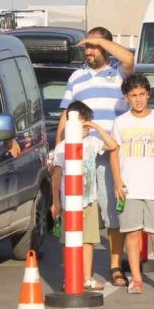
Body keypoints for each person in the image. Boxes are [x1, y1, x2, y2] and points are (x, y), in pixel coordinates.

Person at [58, 26, 135, 288]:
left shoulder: (118, 73)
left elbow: (128, 59)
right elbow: (66, 114)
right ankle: (80, 270)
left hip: (110, 153)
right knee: (82, 212)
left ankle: (115, 265)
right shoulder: (76, 77)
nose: (89, 51)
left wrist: (95, 39)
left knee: (112, 211)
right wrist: (58, 148)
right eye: (86, 47)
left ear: (106, 47)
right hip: (80, 157)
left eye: (94, 46)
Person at [112, 73, 154, 294]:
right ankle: (136, 279)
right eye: (133, 95)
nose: (138, 99)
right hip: (130, 188)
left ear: (148, 94)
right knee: (132, 233)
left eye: (142, 94)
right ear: (126, 98)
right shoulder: (120, 123)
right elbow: (114, 153)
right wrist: (117, 181)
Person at [50, 101, 118, 291]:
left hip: (89, 201)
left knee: (88, 241)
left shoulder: (92, 142)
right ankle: (70, 277)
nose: (86, 126)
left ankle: (87, 277)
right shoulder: (62, 148)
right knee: (70, 242)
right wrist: (55, 202)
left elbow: (113, 145)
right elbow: (56, 177)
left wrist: (96, 127)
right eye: (83, 122)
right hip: (69, 205)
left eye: (88, 121)